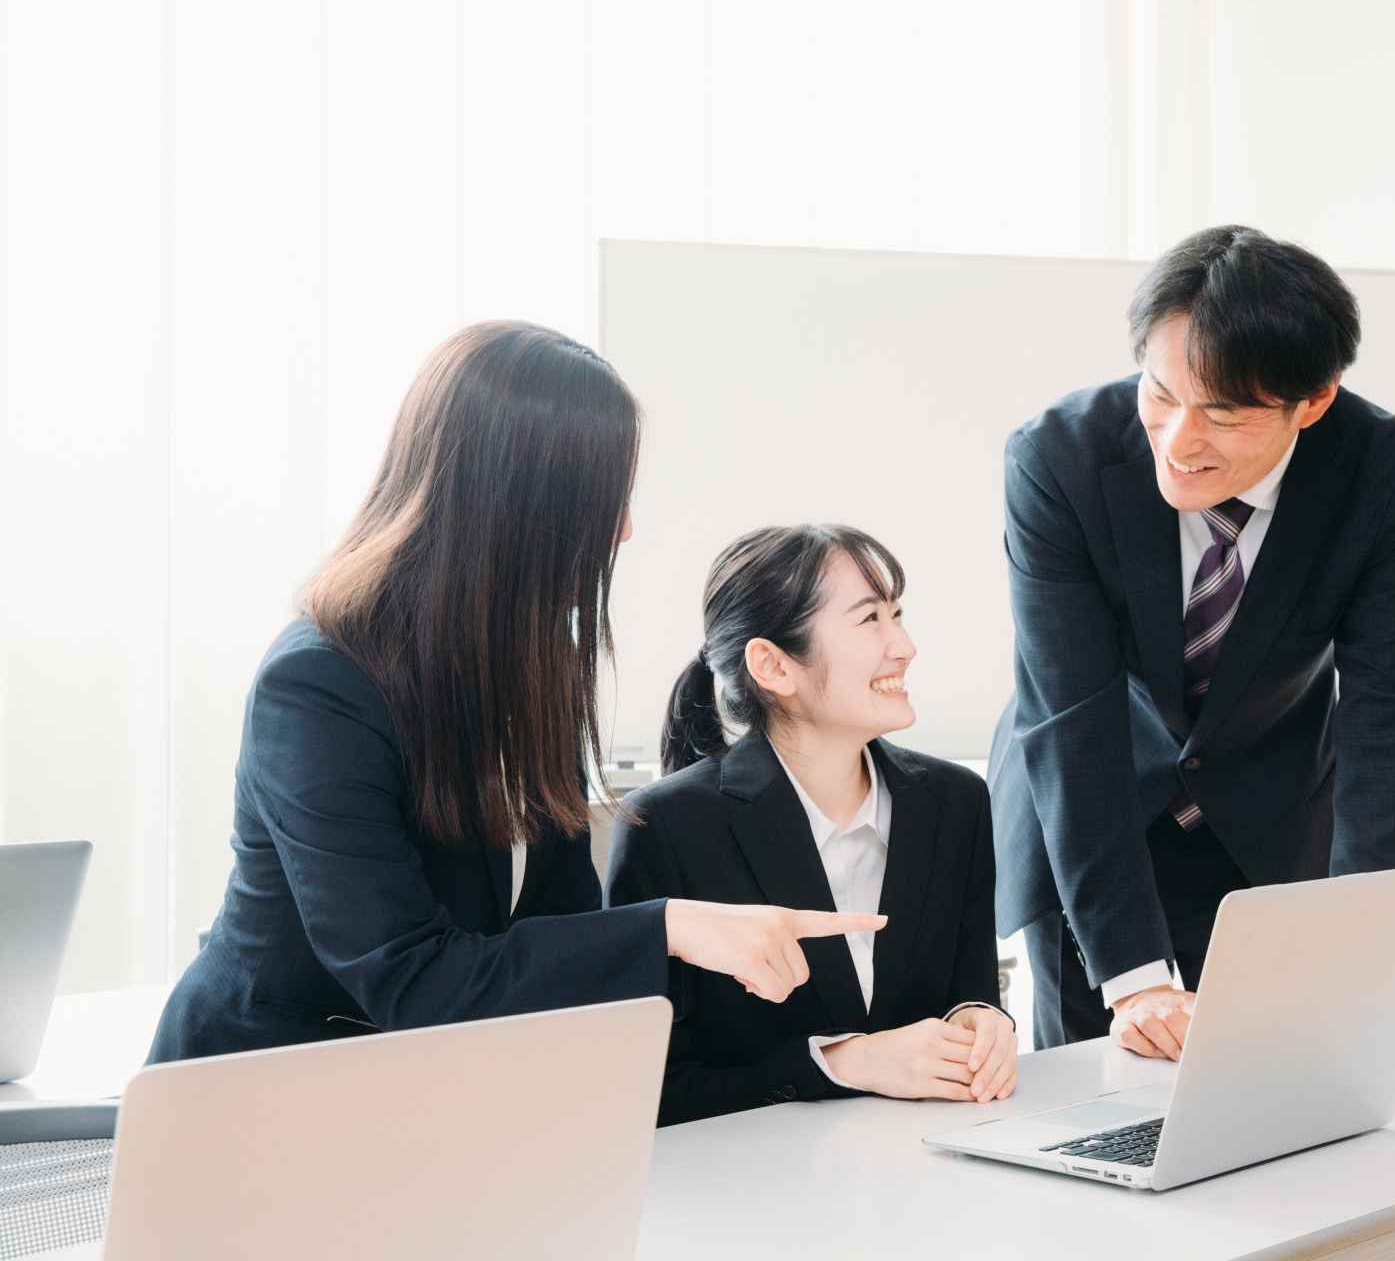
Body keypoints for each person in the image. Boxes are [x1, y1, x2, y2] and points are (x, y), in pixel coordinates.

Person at [148, 321, 881, 1064]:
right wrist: (670, 927)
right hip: (259, 1093)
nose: (623, 530)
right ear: (517, 507)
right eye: (604, 500)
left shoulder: (534, 662)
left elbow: (561, 928)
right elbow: (413, 980)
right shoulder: (318, 687)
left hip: (431, 1092)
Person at [988, 226, 1395, 1078]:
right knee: (1089, 1097)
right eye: (1161, 392)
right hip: (1091, 817)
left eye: (1223, 414)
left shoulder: (1388, 474)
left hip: (1266, 812)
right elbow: (1073, 716)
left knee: (1287, 1090)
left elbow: (1390, 725)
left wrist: (1378, 990)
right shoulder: (1059, 459)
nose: (1180, 441)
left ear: (1314, 401)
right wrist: (1137, 981)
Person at [606, 525, 1016, 1125]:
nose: (904, 645)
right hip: (759, 1196)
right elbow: (649, 1093)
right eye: (869, 620)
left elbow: (966, 992)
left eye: (897, 614)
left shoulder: (955, 803)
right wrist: (840, 1062)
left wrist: (981, 1023)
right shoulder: (668, 828)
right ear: (773, 666)